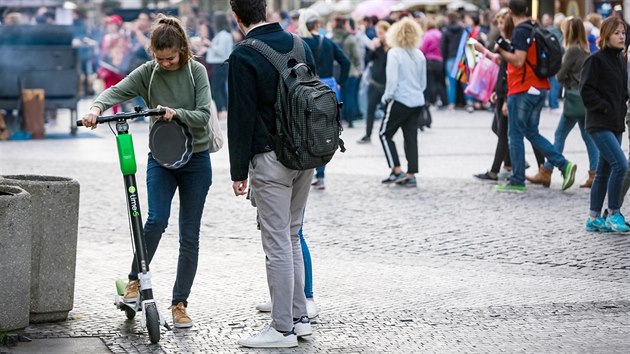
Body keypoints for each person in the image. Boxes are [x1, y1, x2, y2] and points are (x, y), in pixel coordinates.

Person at [81, 14, 213, 328]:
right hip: (162, 159)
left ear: (182, 48)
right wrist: (95, 109)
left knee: (189, 236)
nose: (165, 63)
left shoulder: (197, 72)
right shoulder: (149, 73)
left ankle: (180, 304)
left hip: (196, 159)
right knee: (155, 219)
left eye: (170, 58)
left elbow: (204, 114)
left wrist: (175, 113)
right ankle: (134, 282)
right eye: (159, 58)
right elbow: (115, 91)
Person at [227, 0, 316, 348]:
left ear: (236, 17)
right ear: (263, 9)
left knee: (277, 241)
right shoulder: (300, 44)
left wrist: (238, 171)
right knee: (291, 236)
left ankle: (281, 330)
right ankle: (299, 318)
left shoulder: (243, 56)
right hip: (306, 155)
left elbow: (241, 118)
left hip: (270, 159)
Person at [494, 0, 577, 192]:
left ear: (510, 11)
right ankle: (564, 165)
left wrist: (502, 51)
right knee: (531, 132)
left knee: (514, 134)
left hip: (523, 89)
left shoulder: (521, 30)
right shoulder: (533, 26)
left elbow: (519, 60)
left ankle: (517, 180)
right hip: (539, 87)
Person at [529, 17, 599, 189]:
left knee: (560, 134)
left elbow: (560, 75)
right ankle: (594, 174)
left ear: (569, 31)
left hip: (574, 100)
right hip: (583, 99)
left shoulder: (572, 50)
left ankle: (547, 170)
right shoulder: (584, 49)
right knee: (587, 137)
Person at [581, 16, 629, 232]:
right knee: (621, 165)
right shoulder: (595, 60)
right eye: (617, 33)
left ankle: (593, 217)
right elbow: (586, 91)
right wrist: (605, 107)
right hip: (599, 123)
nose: (622, 36)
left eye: (624, 33)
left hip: (615, 123)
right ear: (606, 35)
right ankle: (613, 213)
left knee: (604, 171)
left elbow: (620, 91)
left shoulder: (621, 60)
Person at [297, 9, 350, 190]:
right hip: (328, 89)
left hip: (307, 87)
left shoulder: (300, 43)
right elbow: (346, 62)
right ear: (317, 24)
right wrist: (340, 82)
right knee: (323, 131)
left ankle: (306, 172)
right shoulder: (327, 42)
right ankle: (320, 175)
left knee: (304, 128)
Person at [379, 17, 427, 188]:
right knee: (411, 138)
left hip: (400, 99)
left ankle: (396, 169)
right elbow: (423, 83)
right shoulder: (419, 54)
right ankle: (411, 173)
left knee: (384, 134)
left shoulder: (394, 53)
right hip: (416, 100)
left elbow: (392, 80)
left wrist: (387, 97)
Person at [358, 20, 390, 143]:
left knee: (387, 111)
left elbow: (384, 62)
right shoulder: (376, 45)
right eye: (377, 33)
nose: (378, 35)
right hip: (374, 83)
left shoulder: (390, 48)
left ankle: (386, 133)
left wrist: (380, 47)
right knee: (370, 110)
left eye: (381, 33)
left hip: (386, 85)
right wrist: (373, 48)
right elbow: (368, 60)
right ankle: (368, 134)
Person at [206, 12, 234, 119]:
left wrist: (210, 44)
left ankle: (219, 110)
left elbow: (221, 51)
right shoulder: (224, 34)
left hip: (220, 64)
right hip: (221, 64)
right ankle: (225, 109)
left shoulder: (223, 35)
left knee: (216, 88)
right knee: (221, 88)